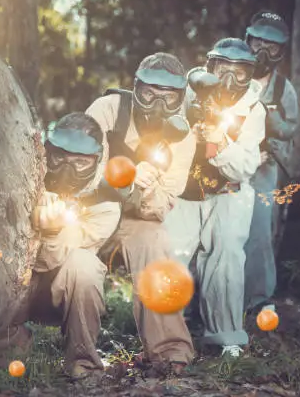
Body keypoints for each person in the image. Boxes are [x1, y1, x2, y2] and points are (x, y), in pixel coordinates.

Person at [86, 52, 197, 375]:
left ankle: (169, 349)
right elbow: (83, 170)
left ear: (180, 98)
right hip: (92, 208)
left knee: (156, 243)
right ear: (136, 88)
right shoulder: (107, 110)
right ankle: (78, 351)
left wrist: (145, 189)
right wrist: (126, 174)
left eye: (168, 96)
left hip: (137, 217)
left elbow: (164, 202)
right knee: (72, 263)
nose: (157, 104)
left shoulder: (183, 135)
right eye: (149, 94)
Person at [163, 38, 266, 358]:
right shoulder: (185, 95)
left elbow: (245, 166)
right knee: (170, 258)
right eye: (223, 71)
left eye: (240, 73)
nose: (230, 81)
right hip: (184, 191)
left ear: (250, 75)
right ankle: (165, 337)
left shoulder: (253, 110)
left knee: (226, 260)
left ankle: (225, 338)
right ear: (209, 69)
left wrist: (220, 143)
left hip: (228, 194)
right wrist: (187, 136)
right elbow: (159, 140)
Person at [27, 112, 124, 382]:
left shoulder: (105, 205)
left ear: (97, 160)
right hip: (3, 285)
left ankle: (83, 363)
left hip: (51, 294)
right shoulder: (24, 175)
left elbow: (47, 261)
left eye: (81, 162)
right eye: (60, 157)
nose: (68, 170)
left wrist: (53, 229)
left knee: (85, 265)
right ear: (46, 150)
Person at [243, 11, 299, 314]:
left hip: (264, 170)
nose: (262, 51)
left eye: (272, 46)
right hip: (225, 166)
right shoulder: (230, 75)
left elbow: (291, 129)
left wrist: (271, 129)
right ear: (247, 40)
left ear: (280, 52)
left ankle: (258, 300)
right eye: (258, 42)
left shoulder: (282, 89)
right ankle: (207, 300)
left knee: (259, 231)